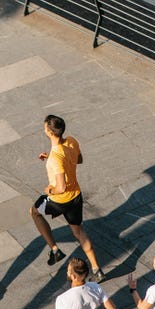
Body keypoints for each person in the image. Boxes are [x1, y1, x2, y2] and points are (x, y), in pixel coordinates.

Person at [30, 114, 105, 281]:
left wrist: (50, 190)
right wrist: (51, 158)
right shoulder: (71, 141)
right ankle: (96, 268)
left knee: (34, 212)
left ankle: (55, 250)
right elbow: (78, 159)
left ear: (50, 132)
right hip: (76, 197)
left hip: (59, 201)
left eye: (44, 128)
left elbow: (61, 187)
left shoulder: (55, 158)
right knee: (79, 232)